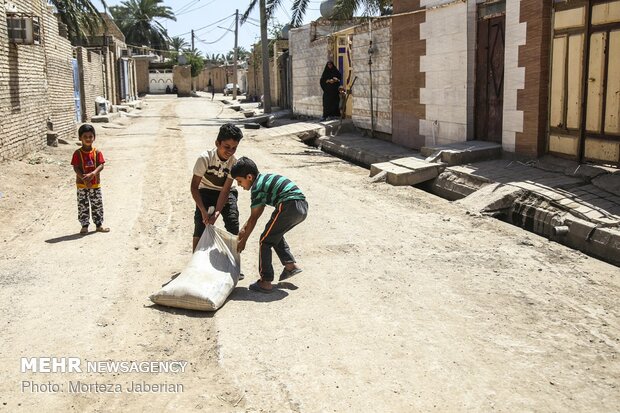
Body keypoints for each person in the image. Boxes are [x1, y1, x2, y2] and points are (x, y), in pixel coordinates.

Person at [231, 157, 308, 293]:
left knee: (265, 241)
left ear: (249, 177)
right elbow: (253, 217)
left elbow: (254, 218)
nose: (239, 185)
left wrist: (244, 241)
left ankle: (265, 281)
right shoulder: (262, 180)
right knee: (273, 235)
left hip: (288, 204)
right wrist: (243, 230)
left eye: (239, 181)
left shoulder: (257, 188)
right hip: (301, 206)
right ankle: (291, 265)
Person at [191, 123, 243, 253]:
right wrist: (203, 211)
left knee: (233, 222)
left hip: (225, 193)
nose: (230, 151)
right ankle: (195, 261)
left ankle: (233, 262)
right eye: (227, 147)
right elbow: (194, 187)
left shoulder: (233, 163)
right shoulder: (205, 158)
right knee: (200, 224)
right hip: (205, 192)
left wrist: (217, 212)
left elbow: (225, 190)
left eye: (234, 148)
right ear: (217, 143)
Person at [71, 124, 110, 235]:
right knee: (83, 205)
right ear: (80, 138)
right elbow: (76, 167)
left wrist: (93, 174)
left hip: (95, 184)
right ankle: (84, 225)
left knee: (97, 204)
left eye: (90, 136)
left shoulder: (97, 152)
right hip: (82, 185)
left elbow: (101, 165)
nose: (88, 139)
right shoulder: (77, 153)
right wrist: (84, 179)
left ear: (94, 137)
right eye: (85, 137)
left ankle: (99, 225)